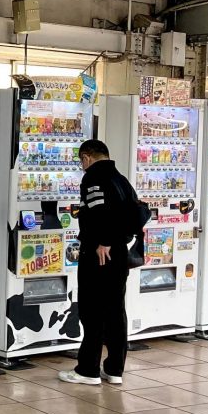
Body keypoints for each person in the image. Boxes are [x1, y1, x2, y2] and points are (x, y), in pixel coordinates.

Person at [59, 139, 139, 387]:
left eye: (81, 161)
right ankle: (115, 369)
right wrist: (118, 240)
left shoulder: (93, 177)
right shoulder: (121, 179)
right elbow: (136, 214)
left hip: (99, 254)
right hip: (120, 253)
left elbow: (99, 211)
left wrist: (104, 241)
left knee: (92, 312)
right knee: (116, 312)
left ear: (86, 157)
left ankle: (88, 369)